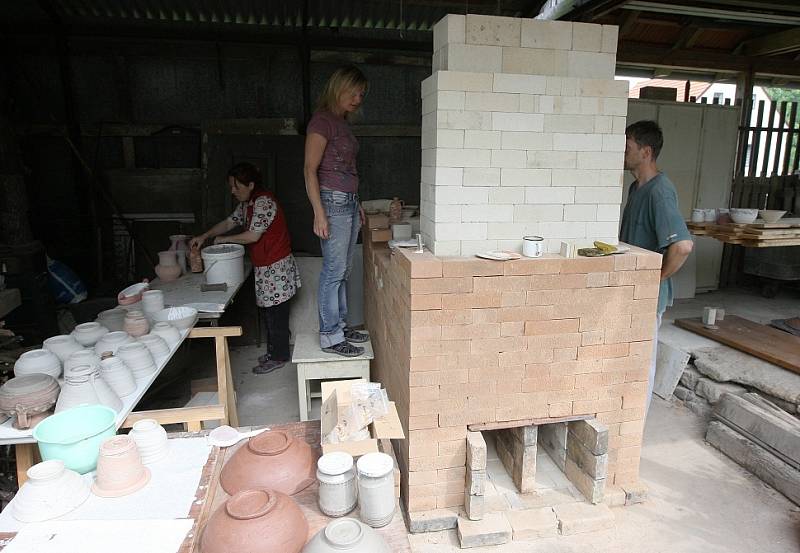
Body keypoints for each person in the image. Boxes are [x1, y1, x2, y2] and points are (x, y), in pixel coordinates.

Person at [190, 163, 301, 374]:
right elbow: (229, 222)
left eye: (236, 186)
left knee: (276, 314)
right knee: (269, 313)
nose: (232, 191)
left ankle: (279, 356)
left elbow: (253, 235)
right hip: (266, 267)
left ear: (251, 185)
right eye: (231, 186)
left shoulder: (264, 203)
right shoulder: (247, 204)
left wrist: (222, 240)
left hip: (277, 267)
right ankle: (275, 351)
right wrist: (205, 236)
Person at [619, 120, 693, 415]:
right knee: (630, 359)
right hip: (632, 292)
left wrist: (657, 279)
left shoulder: (659, 192)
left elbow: (682, 246)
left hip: (648, 296)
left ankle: (636, 426)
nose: (623, 153)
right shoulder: (636, 188)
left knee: (642, 363)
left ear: (646, 151)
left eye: (628, 148)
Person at [303, 65, 370, 357]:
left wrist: (359, 205)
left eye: (361, 94)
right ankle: (330, 336)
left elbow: (349, 169)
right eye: (353, 91)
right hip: (332, 202)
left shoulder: (342, 123)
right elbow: (309, 169)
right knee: (333, 271)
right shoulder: (322, 122)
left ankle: (340, 327)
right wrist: (319, 211)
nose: (357, 98)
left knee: (344, 270)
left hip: (349, 203)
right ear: (337, 87)